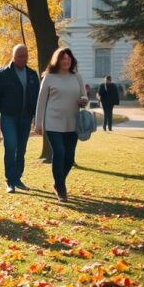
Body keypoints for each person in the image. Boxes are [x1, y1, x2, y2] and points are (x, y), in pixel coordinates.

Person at [34, 47, 88, 202]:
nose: (66, 61)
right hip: (53, 123)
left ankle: (58, 183)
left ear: (72, 61)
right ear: (57, 60)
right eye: (63, 58)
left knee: (69, 158)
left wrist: (84, 101)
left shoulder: (77, 77)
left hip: (72, 123)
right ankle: (61, 188)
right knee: (59, 153)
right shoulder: (49, 77)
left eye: (69, 59)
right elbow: (41, 101)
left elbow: (84, 96)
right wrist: (38, 123)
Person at [0, 44, 40, 193]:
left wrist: (37, 117)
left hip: (26, 117)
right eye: (19, 56)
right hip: (8, 117)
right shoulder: (3, 74)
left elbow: (37, 98)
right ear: (13, 56)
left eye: (25, 56)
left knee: (21, 149)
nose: (23, 59)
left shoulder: (32, 74)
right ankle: (10, 181)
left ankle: (18, 178)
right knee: (11, 147)